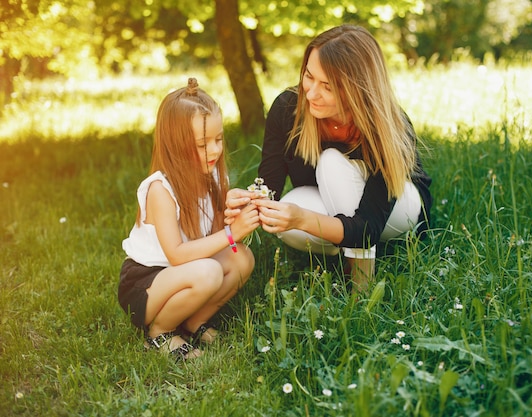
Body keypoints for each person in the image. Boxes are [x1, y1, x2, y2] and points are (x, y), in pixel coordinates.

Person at [253, 24, 432, 291]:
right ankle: (345, 245)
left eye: (327, 86)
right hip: (334, 201)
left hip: (398, 210)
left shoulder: (386, 124)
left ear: (358, 88)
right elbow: (269, 188)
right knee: (290, 213)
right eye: (309, 76)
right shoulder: (287, 109)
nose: (311, 93)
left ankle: (361, 285)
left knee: (332, 163)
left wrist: (303, 218)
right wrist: (246, 201)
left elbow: (370, 226)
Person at [118, 78, 259, 361]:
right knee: (209, 272)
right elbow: (177, 254)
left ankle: (194, 322)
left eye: (218, 139)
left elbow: (214, 238)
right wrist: (232, 233)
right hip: (146, 283)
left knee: (242, 258)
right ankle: (159, 333)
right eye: (202, 144)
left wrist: (233, 210)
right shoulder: (161, 189)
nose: (215, 150)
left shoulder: (214, 176)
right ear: (175, 146)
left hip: (188, 272)